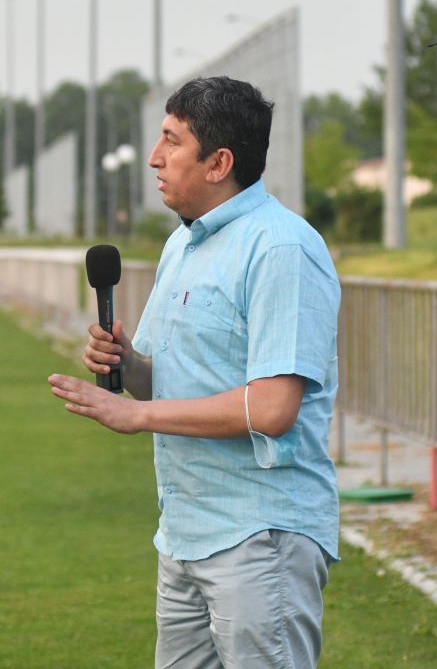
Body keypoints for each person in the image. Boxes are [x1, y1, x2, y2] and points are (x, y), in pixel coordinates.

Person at [48, 76, 341, 669]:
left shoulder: (281, 248)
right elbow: (165, 381)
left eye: (171, 142)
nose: (155, 158)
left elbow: (273, 408)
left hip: (260, 539)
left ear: (219, 163)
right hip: (184, 532)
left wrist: (138, 415)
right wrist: (125, 363)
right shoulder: (183, 245)